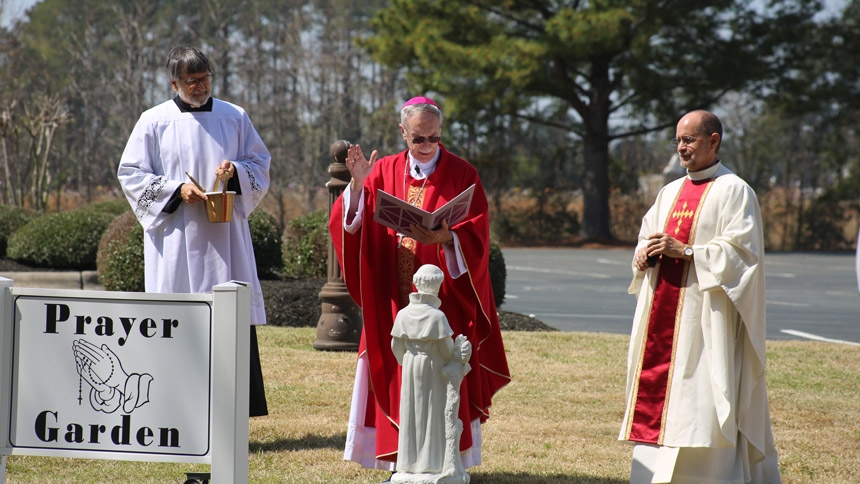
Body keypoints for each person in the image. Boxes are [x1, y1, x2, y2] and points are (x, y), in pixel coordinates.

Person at [329, 96, 510, 472]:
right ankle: (399, 463)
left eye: (433, 138)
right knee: (397, 377)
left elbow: (477, 232)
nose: (426, 146)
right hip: (394, 300)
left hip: (447, 303)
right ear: (402, 133)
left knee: (444, 380)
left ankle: (449, 461)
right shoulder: (383, 171)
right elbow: (349, 225)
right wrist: (359, 188)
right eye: (418, 139)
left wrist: (446, 238)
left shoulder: (463, 173)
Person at [619, 110, 781, 483]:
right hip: (663, 316)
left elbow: (743, 256)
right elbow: (647, 236)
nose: (681, 147)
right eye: (678, 140)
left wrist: (689, 252)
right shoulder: (669, 192)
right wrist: (643, 254)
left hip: (708, 321)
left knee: (702, 401)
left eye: (689, 139)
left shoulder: (735, 190)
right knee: (661, 402)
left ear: (714, 140)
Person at [117, 45, 270, 417]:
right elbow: (131, 174)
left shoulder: (234, 116)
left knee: (228, 319)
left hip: (225, 237)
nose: (201, 87)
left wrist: (233, 170)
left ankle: (232, 414)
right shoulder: (154, 121)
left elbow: (259, 164)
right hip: (176, 237)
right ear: (174, 83)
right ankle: (176, 414)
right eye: (191, 81)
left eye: (205, 79)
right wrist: (175, 190)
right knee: (178, 321)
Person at [390, 264, 471, 479]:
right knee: (431, 413)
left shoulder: (403, 314)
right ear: (437, 287)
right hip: (433, 366)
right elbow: (446, 350)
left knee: (411, 413)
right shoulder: (437, 317)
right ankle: (432, 464)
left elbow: (396, 347)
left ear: (416, 284)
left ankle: (408, 465)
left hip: (410, 365)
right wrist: (459, 353)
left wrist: (407, 362)